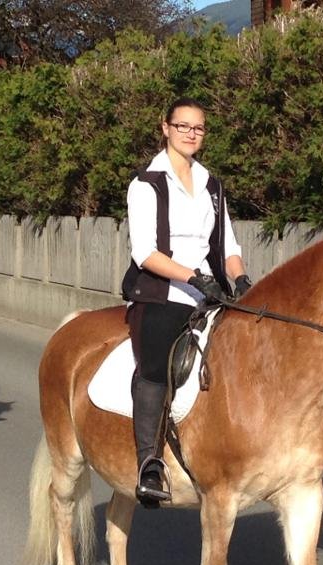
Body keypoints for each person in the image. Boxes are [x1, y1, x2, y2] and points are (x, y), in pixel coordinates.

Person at [123, 96, 251, 505]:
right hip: (163, 292)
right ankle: (149, 462)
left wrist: (241, 278)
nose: (191, 134)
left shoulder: (213, 185)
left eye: (198, 128)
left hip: (211, 292)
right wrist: (194, 277)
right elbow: (145, 252)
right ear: (165, 127)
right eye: (183, 127)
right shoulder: (146, 183)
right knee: (157, 361)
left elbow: (227, 243)